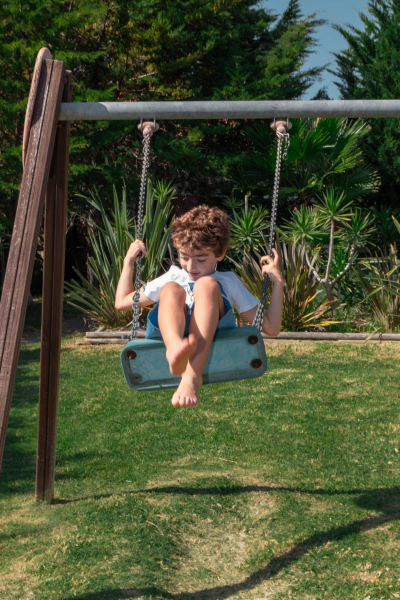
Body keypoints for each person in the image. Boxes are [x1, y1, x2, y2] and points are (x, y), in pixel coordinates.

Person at [115, 205, 283, 407]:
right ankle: (174, 348)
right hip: (169, 330)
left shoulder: (227, 281)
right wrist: (129, 262)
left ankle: (192, 375)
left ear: (220, 253)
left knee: (206, 285)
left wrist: (278, 284)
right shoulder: (175, 275)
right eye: (184, 257)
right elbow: (123, 302)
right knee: (170, 288)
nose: (191, 267)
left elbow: (271, 327)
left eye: (201, 259)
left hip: (213, 327)